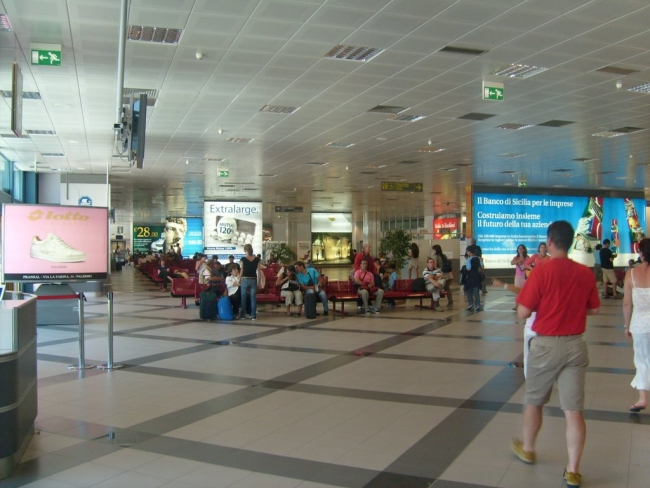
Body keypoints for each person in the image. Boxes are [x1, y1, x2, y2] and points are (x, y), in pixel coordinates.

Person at [511, 220, 600, 488]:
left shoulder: (541, 272)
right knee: (573, 411)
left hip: (546, 346)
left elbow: (523, 312)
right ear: (571, 241)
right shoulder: (585, 273)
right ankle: (572, 471)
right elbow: (594, 310)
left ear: (550, 242)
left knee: (534, 401)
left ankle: (528, 448)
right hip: (575, 346)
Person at [623, 238, 650, 413]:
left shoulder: (630, 274)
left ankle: (642, 398)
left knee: (642, 360)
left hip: (639, 324)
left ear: (640, 253)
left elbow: (627, 303)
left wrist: (626, 325)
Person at [239, 244, 260, 320]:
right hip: (254, 279)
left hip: (245, 279)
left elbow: (242, 270)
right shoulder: (257, 259)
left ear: (245, 250)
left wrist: (239, 279)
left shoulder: (243, 259)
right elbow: (259, 271)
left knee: (243, 297)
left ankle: (243, 315)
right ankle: (253, 315)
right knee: (253, 298)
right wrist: (259, 281)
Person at [463, 245, 483, 311]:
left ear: (469, 251)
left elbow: (468, 268)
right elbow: (482, 267)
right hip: (477, 276)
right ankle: (477, 304)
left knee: (468, 290)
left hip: (470, 276)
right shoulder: (479, 258)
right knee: (476, 291)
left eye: (467, 251)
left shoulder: (469, 259)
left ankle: (471, 303)